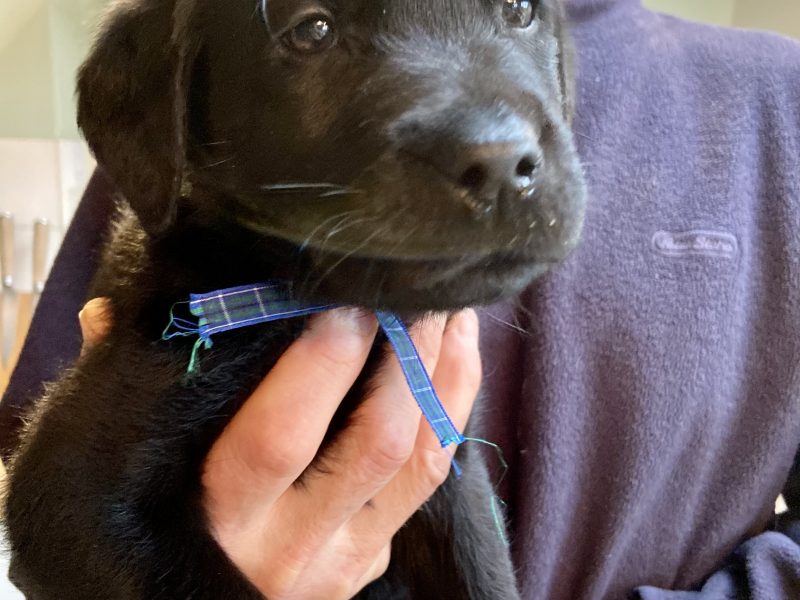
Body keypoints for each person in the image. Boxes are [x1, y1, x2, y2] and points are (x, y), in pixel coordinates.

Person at [2, 0, 799, 598]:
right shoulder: (187, 274)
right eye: (312, 29)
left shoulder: (779, 101)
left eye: (516, 7)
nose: (494, 143)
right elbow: (50, 520)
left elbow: (446, 495)